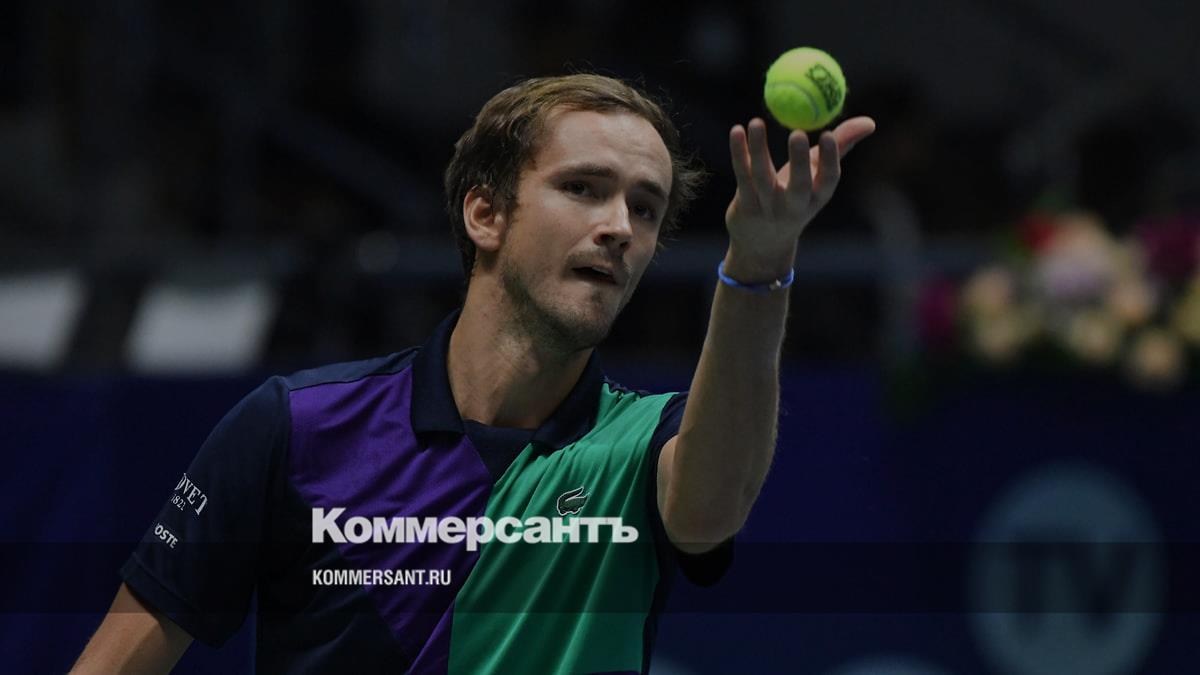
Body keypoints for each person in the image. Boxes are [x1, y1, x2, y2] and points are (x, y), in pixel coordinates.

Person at [72, 73, 875, 674]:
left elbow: (708, 513)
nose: (619, 227)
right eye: (583, 188)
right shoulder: (297, 426)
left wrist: (759, 260)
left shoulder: (641, 447)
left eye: (645, 207)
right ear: (485, 213)